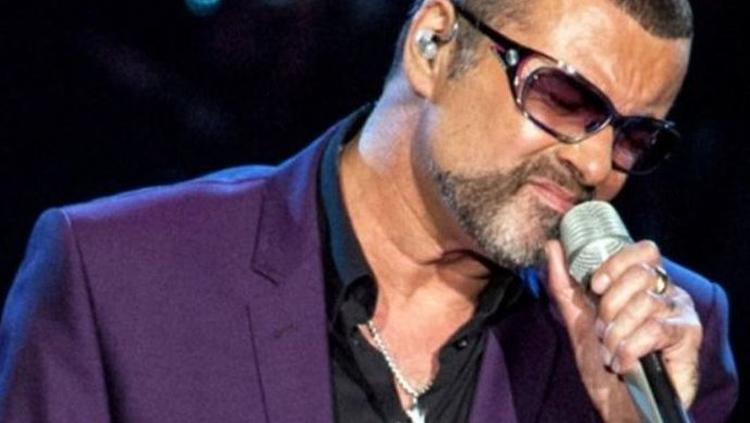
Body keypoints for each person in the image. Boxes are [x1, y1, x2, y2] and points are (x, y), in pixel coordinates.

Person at [0, 0, 739, 421]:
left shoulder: (663, 340)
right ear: (432, 45)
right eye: (566, 98)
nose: (595, 165)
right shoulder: (114, 279)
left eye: (635, 138)